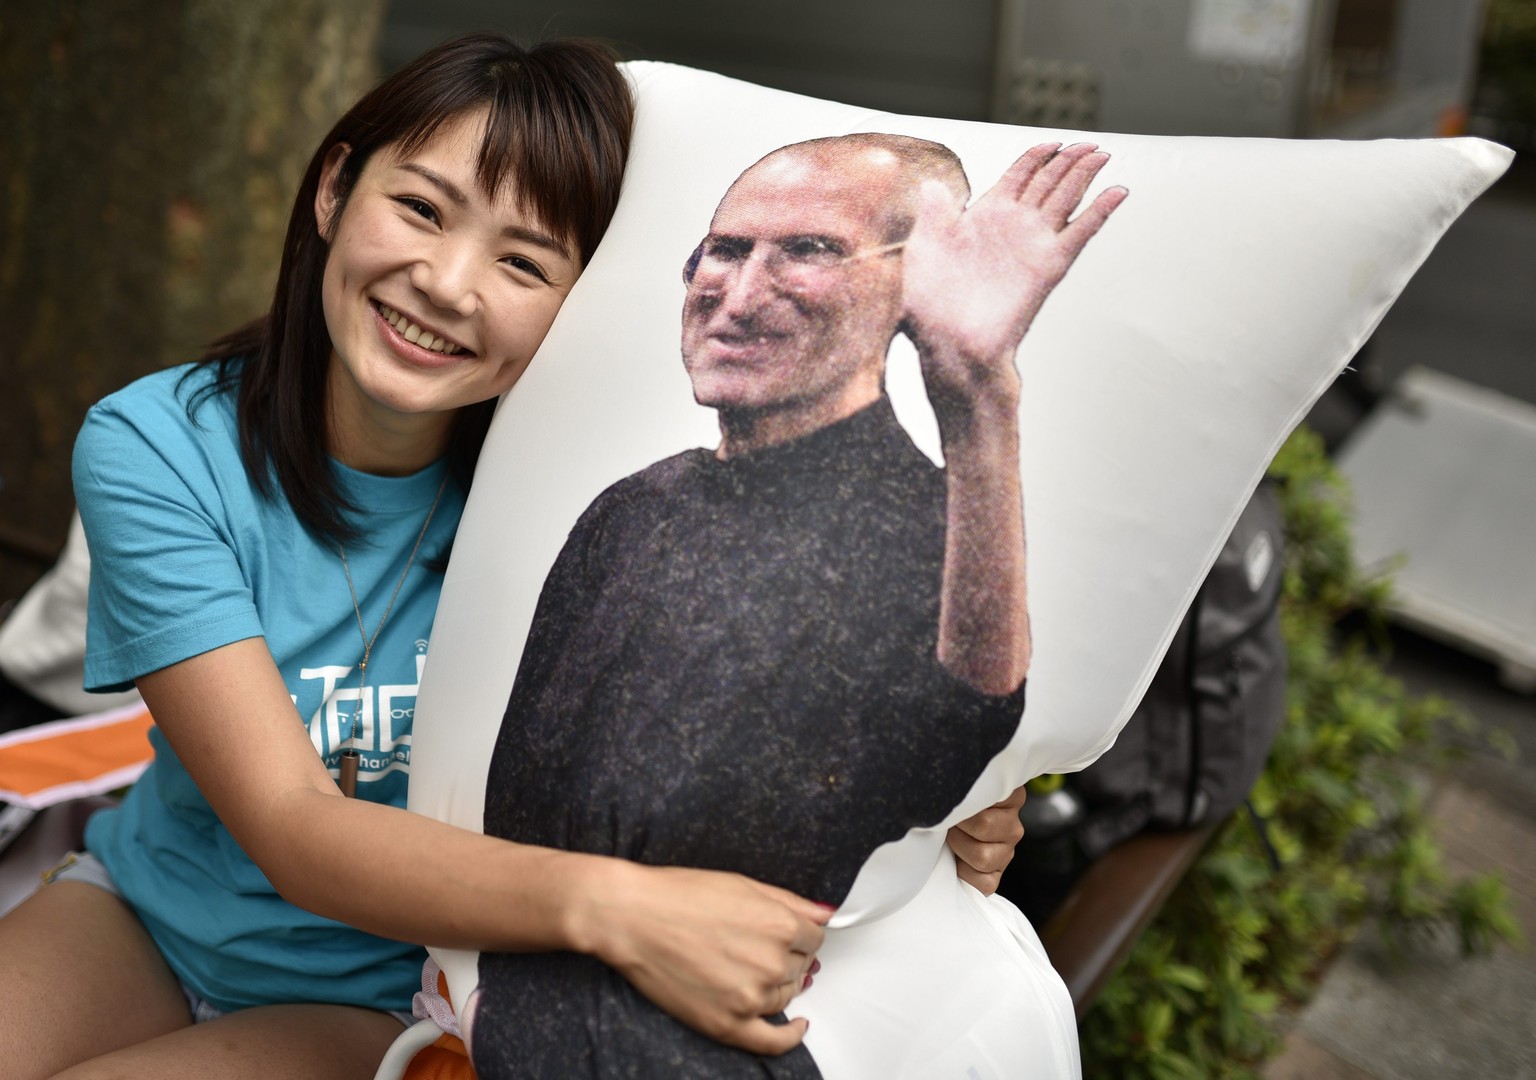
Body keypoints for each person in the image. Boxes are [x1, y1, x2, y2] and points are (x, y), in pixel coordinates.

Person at [0, 34, 1028, 1080]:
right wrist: (627, 912)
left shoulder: (597, 505)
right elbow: (288, 819)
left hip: (382, 992)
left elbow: (801, 742)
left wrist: (948, 818)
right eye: (420, 209)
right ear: (332, 190)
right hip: (147, 911)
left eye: (523, 262)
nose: (446, 284)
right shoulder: (162, 444)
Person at [474, 134, 1125, 1077]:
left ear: (918, 283)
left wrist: (977, 395)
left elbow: (962, 721)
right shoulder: (632, 509)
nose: (737, 294)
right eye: (725, 250)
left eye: (810, 251)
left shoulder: (931, 527)